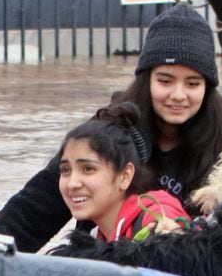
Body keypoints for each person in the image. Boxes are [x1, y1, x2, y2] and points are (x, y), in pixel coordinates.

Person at [0, 2, 222, 252]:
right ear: (147, 80)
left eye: (192, 83)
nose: (178, 95)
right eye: (165, 81)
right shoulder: (109, 129)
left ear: (207, 87)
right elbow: (38, 205)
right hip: (103, 264)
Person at [58, 102, 188, 242]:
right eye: (65, 170)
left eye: (88, 169)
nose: (72, 184)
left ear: (125, 176)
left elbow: (185, 245)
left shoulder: (156, 219)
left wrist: (176, 240)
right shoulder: (97, 237)